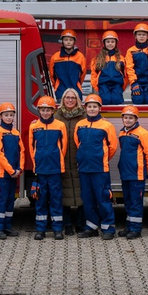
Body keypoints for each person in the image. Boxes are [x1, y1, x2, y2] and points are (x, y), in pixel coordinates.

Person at [75, 94, 118, 240]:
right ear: (85, 108)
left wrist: (101, 158)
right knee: (87, 199)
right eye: (89, 106)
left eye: (95, 106)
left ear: (100, 108)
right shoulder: (79, 124)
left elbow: (112, 147)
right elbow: (78, 143)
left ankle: (108, 228)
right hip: (84, 169)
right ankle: (91, 226)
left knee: (103, 198)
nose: (92, 109)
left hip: (100, 169)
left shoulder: (107, 126)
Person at [29, 96, 67, 240]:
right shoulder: (34, 126)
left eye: (48, 110)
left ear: (53, 110)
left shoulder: (60, 125)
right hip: (40, 170)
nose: (45, 112)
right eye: (43, 110)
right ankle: (41, 229)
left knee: (56, 199)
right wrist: (35, 167)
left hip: (55, 170)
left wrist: (57, 162)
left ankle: (57, 229)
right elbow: (32, 148)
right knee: (40, 200)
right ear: (39, 111)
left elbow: (63, 147)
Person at [116, 105, 148, 240]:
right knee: (128, 201)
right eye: (125, 117)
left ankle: (136, 229)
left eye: (130, 118)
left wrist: (147, 169)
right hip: (126, 173)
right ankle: (129, 226)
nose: (128, 120)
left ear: (136, 119)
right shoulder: (122, 133)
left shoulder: (142, 133)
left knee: (136, 202)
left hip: (137, 174)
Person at [54, 88, 86, 235]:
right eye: (67, 97)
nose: (70, 100)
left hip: (79, 159)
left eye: (73, 98)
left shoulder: (84, 116)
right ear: (63, 100)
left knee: (82, 192)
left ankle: (80, 223)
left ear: (78, 100)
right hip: (62, 159)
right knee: (63, 192)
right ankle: (67, 224)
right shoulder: (56, 116)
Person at [0, 102, 24, 239]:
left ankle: (7, 227)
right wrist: (11, 170)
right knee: (1, 201)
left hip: (14, 174)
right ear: (0, 116)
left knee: (11, 201)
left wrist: (20, 168)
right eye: (6, 115)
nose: (9, 118)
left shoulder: (16, 133)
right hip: (3, 175)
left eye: (11, 115)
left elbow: (21, 151)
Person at [125, 23, 148, 105]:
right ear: (135, 36)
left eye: (144, 34)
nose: (141, 36)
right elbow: (129, 68)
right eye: (139, 34)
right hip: (137, 82)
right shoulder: (130, 51)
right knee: (138, 100)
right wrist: (134, 83)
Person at [90, 30, 127, 105]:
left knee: (117, 100)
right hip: (103, 85)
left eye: (112, 42)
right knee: (105, 100)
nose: (110, 44)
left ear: (116, 43)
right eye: (108, 42)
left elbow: (125, 75)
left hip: (117, 85)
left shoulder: (121, 58)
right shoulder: (97, 59)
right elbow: (93, 74)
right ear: (104, 43)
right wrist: (97, 88)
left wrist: (122, 87)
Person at [50, 29, 87, 100]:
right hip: (61, 91)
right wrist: (57, 86)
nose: (68, 42)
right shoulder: (55, 56)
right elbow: (52, 75)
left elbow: (83, 74)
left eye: (70, 40)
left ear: (74, 42)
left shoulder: (80, 56)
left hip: (76, 91)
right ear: (62, 41)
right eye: (66, 40)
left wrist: (77, 84)